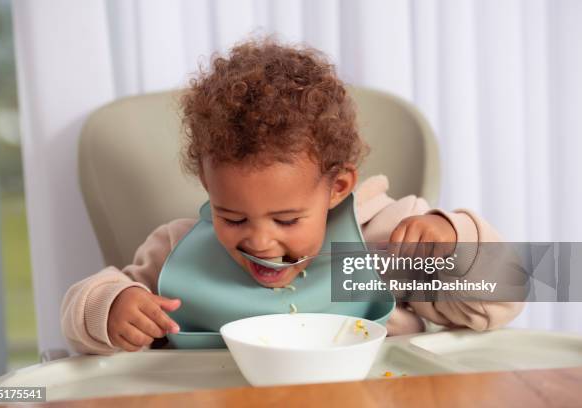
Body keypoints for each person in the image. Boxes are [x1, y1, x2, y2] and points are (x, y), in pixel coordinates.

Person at [61, 38, 523, 355]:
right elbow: (84, 313)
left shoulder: (378, 246)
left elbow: (509, 295)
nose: (260, 242)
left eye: (286, 220)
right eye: (233, 217)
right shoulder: (179, 254)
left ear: (338, 187)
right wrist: (111, 309)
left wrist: (453, 245)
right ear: (207, 184)